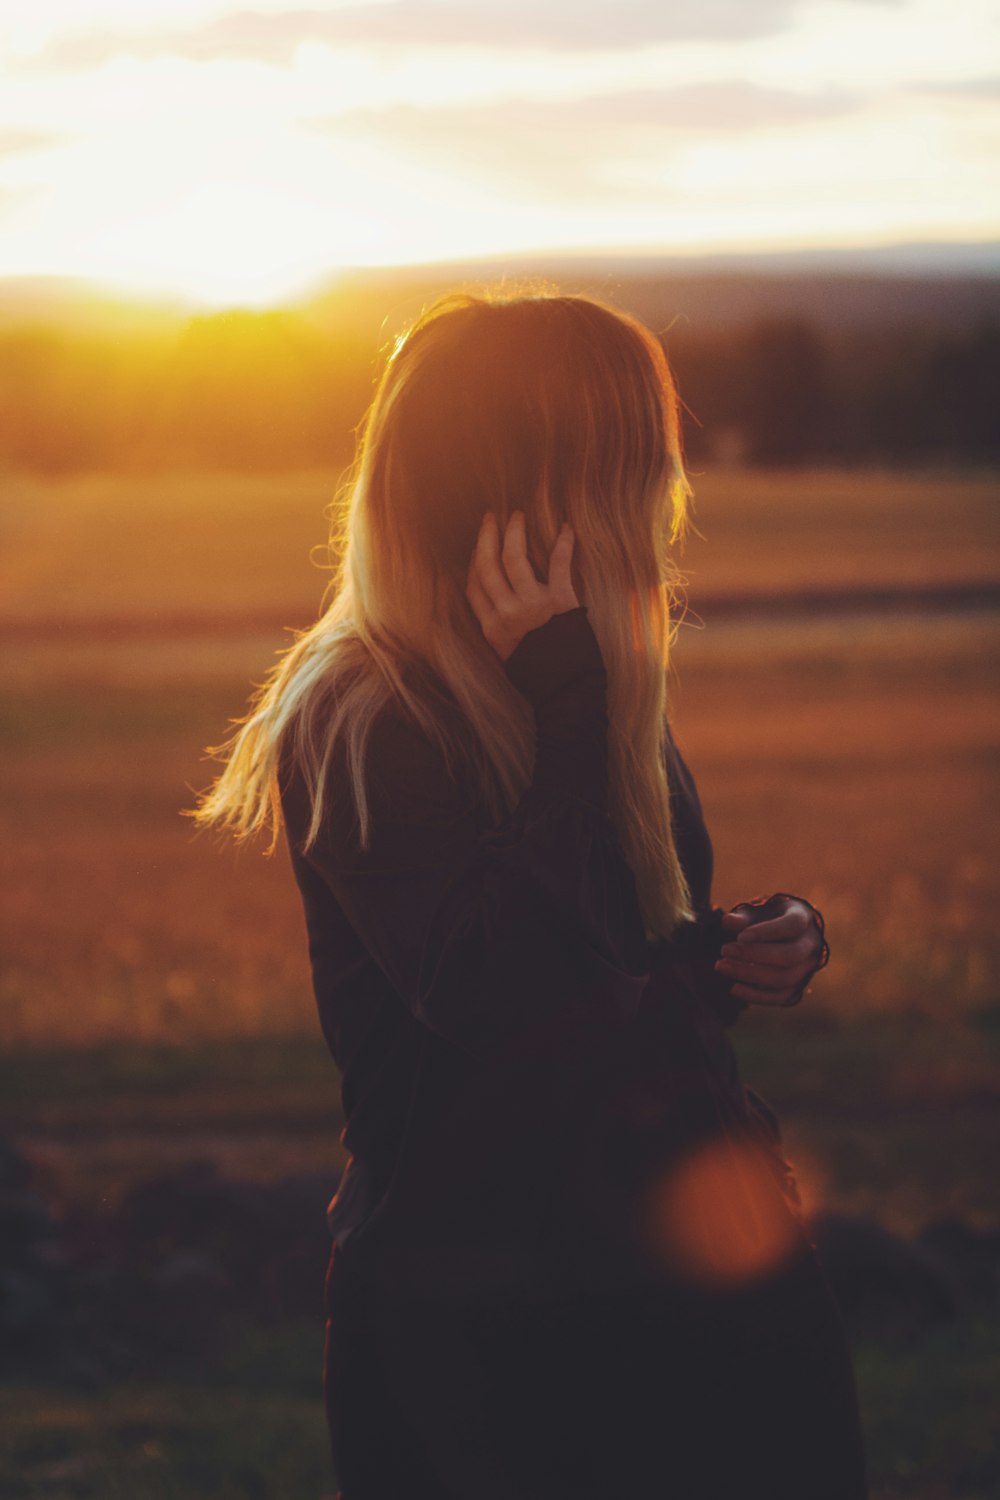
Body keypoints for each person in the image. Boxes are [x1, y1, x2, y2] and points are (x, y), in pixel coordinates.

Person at [190, 291, 868, 1498]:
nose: (666, 497)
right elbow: (494, 989)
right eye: (636, 465)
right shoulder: (364, 717)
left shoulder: (578, 687)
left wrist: (738, 948)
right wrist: (568, 707)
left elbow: (608, 953)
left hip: (686, 1267)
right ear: (529, 489)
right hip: (499, 1327)